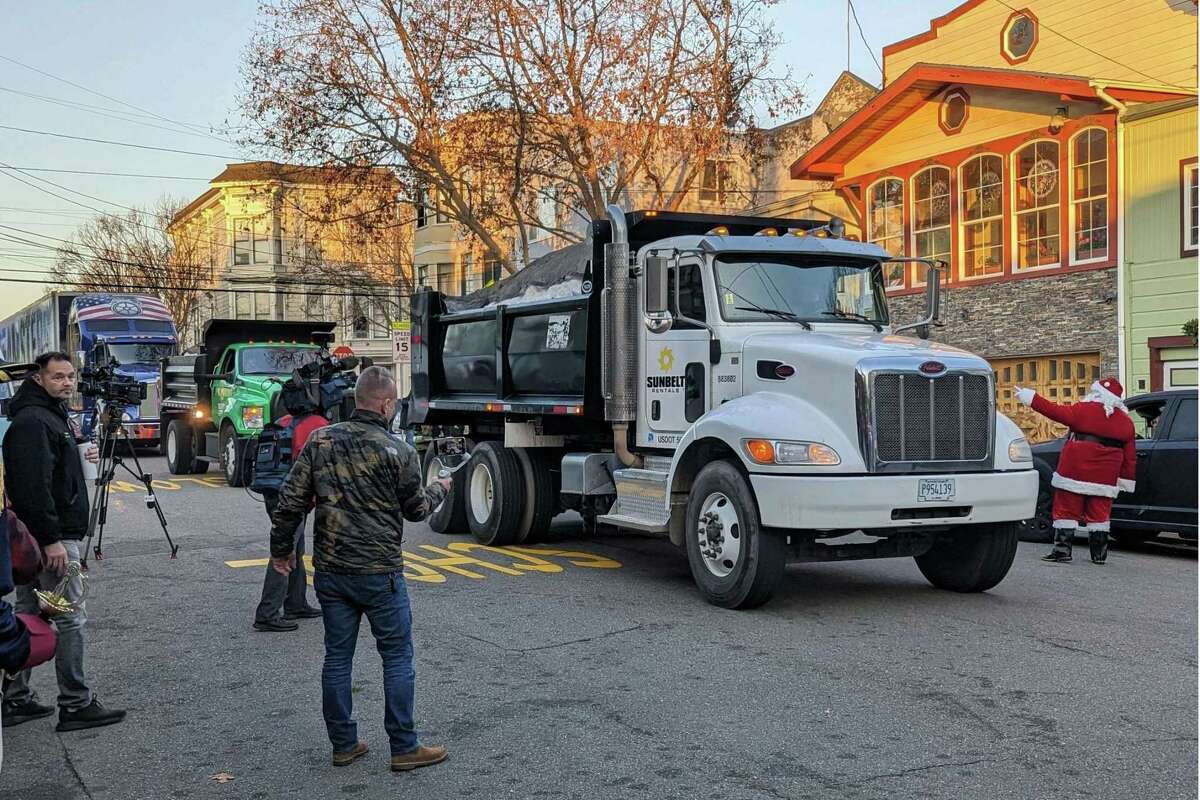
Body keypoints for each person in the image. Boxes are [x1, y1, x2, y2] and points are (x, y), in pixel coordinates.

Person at [270, 366, 451, 771]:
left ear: (356, 399)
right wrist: (441, 487)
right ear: (387, 404)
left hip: (332, 572)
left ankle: (344, 744)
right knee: (397, 658)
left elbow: (290, 502)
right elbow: (417, 509)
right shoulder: (397, 451)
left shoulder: (320, 440)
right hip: (380, 573)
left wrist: (282, 552)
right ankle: (404, 747)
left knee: (337, 658)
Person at [1, 352, 125, 731]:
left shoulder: (47, 415)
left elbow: (50, 474)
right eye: (57, 377)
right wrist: (52, 540)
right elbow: (30, 488)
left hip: (44, 538)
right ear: (38, 379)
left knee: (28, 613)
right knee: (70, 618)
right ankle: (76, 703)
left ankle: (15, 698)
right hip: (51, 541)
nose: (67, 383)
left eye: (70, 376)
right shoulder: (32, 421)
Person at [1016, 377, 1136, 565]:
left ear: (1096, 393)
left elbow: (1055, 411)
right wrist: (1126, 479)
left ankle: (1062, 550)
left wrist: (1032, 398)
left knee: (1066, 510)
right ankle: (1099, 554)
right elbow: (1130, 456)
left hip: (1075, 471)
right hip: (1105, 477)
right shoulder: (1126, 422)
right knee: (1099, 514)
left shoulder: (1083, 410)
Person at [253, 387, 329, 632]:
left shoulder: (283, 422)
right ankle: (267, 613)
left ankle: (296, 602)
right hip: (294, 497)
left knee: (295, 546)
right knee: (284, 550)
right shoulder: (319, 424)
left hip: (272, 492)